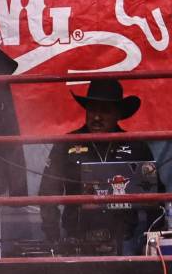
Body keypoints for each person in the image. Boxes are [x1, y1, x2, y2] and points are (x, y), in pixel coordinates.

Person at [38, 79, 160, 256]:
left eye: (105, 111)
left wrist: (151, 242)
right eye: (92, 109)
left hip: (124, 239)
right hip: (77, 238)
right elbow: (47, 193)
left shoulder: (136, 146)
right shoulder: (66, 144)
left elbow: (155, 199)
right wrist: (54, 239)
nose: (96, 117)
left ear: (118, 114)